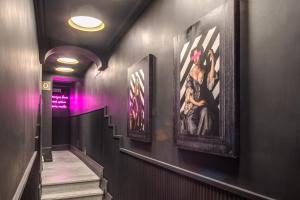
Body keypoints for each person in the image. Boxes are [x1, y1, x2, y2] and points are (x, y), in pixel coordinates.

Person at [181, 47, 218, 136]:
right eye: (194, 56)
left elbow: (210, 83)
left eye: (198, 55)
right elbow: (188, 96)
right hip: (193, 105)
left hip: (205, 104)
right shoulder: (190, 75)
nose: (196, 58)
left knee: (206, 113)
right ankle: (197, 140)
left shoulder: (205, 69)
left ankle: (200, 140)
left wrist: (213, 61)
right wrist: (197, 103)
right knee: (191, 124)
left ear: (201, 56)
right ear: (192, 58)